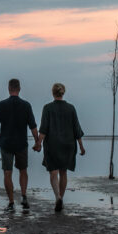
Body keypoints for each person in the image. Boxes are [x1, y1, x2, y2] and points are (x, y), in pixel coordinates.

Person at [0, 78, 40, 209]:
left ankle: (11, 202)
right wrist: (37, 141)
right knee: (23, 170)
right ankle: (23, 197)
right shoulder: (26, 105)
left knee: (7, 172)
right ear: (19, 89)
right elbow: (33, 126)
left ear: (9, 88)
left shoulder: (1, 105)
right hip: (21, 143)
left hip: (6, 143)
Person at [35, 82, 85, 212]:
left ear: (53, 93)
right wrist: (81, 146)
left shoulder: (47, 108)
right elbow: (77, 129)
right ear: (63, 93)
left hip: (53, 144)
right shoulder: (71, 108)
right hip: (68, 145)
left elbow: (44, 129)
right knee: (64, 172)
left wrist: (38, 143)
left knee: (53, 172)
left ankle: (57, 197)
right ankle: (61, 197)